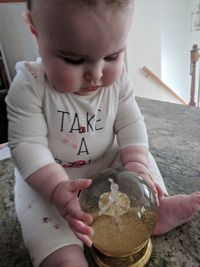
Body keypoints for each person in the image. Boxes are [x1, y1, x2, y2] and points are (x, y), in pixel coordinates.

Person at [6, 0, 200, 266]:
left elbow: (131, 125)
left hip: (107, 160)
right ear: (35, 31)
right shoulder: (30, 84)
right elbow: (27, 144)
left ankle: (154, 209)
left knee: (141, 163)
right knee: (43, 222)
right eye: (74, 59)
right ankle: (65, 256)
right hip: (50, 175)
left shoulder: (118, 81)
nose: (96, 74)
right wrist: (56, 188)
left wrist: (136, 166)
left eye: (112, 56)